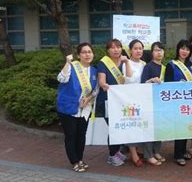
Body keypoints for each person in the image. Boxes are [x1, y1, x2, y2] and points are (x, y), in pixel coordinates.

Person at [57, 43, 98, 172]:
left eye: (89, 52)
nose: (87, 54)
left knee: (81, 135)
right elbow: (61, 79)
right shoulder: (72, 66)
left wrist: (88, 98)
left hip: (84, 108)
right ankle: (74, 161)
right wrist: (67, 63)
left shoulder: (94, 71)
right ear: (79, 55)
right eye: (84, 52)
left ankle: (80, 159)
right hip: (68, 107)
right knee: (71, 135)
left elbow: (95, 90)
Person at [165, 39, 192, 166]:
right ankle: (178, 154)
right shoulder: (171, 65)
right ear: (178, 49)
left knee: (186, 127)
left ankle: (182, 150)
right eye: (182, 48)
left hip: (190, 101)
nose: (185, 51)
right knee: (179, 128)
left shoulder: (191, 65)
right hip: (177, 102)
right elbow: (167, 84)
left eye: (187, 49)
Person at [96, 38, 132, 167]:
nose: (116, 50)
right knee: (113, 128)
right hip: (106, 101)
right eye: (112, 47)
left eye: (118, 47)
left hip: (121, 102)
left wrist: (127, 62)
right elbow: (101, 80)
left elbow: (129, 79)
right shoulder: (103, 63)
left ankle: (116, 151)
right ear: (108, 50)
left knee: (120, 126)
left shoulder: (124, 62)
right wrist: (103, 85)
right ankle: (112, 155)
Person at [122, 39, 150, 168]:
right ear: (130, 51)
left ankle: (138, 148)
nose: (139, 51)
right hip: (130, 100)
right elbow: (128, 80)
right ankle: (133, 154)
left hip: (142, 99)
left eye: (141, 48)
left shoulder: (144, 64)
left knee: (140, 125)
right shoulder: (126, 63)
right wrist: (127, 62)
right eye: (135, 48)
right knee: (131, 126)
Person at [140, 42, 168, 166]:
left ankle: (156, 151)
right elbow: (142, 84)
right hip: (149, 103)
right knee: (149, 129)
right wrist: (151, 80)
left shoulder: (165, 68)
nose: (159, 52)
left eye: (161, 50)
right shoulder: (148, 67)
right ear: (152, 52)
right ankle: (148, 155)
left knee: (160, 128)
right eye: (156, 50)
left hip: (161, 103)